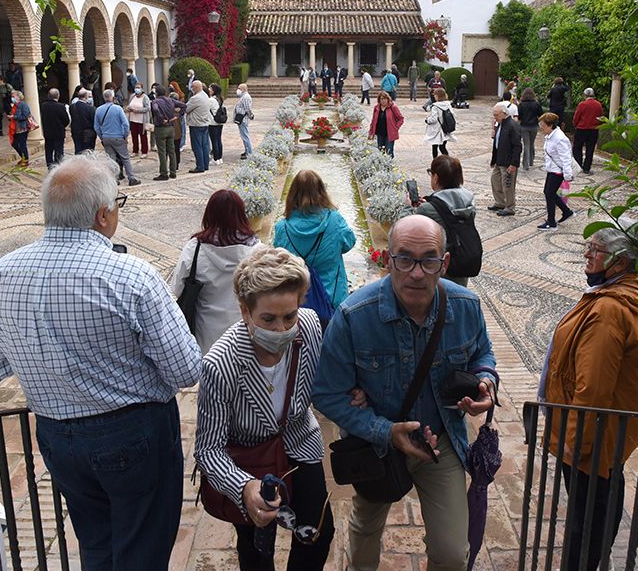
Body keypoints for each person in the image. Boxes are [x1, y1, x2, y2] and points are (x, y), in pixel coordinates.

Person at [0, 153, 201, 571]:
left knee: (96, 545)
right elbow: (186, 370)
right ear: (102, 216)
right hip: (134, 435)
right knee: (143, 549)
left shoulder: (3, 272)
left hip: (58, 436)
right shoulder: (132, 276)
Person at [312, 215, 497, 571]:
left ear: (444, 263)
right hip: (374, 444)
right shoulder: (354, 316)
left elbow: (482, 354)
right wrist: (384, 430)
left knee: (452, 553)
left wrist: (486, 381)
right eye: (404, 258)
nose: (416, 272)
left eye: (428, 259)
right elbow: (326, 393)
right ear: (387, 258)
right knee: (365, 528)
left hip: (439, 439)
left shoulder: (465, 307)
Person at [194, 246, 334, 570]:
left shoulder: (310, 326)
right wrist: (244, 488)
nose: (282, 329)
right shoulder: (221, 364)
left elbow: (322, 384)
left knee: (318, 534)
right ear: (245, 311)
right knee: (256, 549)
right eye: (268, 319)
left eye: (290, 316)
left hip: (300, 443)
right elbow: (208, 449)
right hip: (250, 461)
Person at [540, 220, 638, 571]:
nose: (587, 254)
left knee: (585, 519)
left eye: (596, 249)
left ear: (621, 262)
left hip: (591, 435)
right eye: (588, 246)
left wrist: (576, 443)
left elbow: (592, 388)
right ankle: (599, 558)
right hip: (612, 433)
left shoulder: (608, 311)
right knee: (604, 495)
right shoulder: (635, 292)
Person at [170, 190, 264, 355]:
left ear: (209, 215)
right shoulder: (257, 252)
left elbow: (176, 288)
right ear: (242, 215)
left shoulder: (196, 248)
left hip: (204, 335)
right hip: (244, 333)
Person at [273, 170, 356, 310]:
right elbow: (349, 243)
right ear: (321, 191)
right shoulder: (335, 220)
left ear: (292, 194)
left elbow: (280, 258)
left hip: (298, 300)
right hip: (332, 297)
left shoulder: (282, 228)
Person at [413, 155, 477, 288]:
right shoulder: (469, 201)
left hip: (440, 270)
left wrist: (407, 206)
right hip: (461, 262)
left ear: (436, 177)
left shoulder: (427, 209)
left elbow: (406, 226)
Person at [94, 89, 140, 186]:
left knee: (111, 159)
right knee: (125, 158)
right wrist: (125, 135)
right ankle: (131, 178)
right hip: (118, 136)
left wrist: (102, 137)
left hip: (106, 137)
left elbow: (96, 127)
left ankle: (114, 179)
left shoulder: (98, 109)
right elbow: (125, 124)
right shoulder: (118, 109)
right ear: (112, 97)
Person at [538, 111, 574, 230]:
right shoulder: (551, 135)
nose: (541, 128)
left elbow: (566, 157)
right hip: (552, 169)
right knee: (549, 193)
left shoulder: (559, 138)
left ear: (550, 125)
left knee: (549, 194)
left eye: (542, 126)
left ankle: (551, 222)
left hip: (558, 171)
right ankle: (566, 211)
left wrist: (568, 175)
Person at [488, 101, 521, 217]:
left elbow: (517, 146)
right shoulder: (500, 124)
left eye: (496, 115)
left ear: (504, 113)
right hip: (499, 160)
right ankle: (500, 202)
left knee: (508, 185)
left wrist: (513, 164)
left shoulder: (512, 126)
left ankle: (510, 207)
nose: (494, 117)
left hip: (508, 162)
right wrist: (494, 160)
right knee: (495, 180)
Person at [151, 84, 186, 180]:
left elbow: (155, 109)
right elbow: (183, 105)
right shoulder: (170, 100)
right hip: (171, 127)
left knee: (162, 151)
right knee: (172, 151)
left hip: (161, 128)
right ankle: (173, 171)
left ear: (156, 93)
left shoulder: (155, 101)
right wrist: (178, 115)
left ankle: (164, 173)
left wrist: (161, 118)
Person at [572, 87, 605, 174]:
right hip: (593, 130)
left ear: (585, 95)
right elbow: (601, 117)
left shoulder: (582, 104)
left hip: (581, 129)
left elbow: (576, 117)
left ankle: (578, 165)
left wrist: (575, 125)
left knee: (577, 148)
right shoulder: (598, 105)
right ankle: (586, 168)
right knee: (590, 149)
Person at [186, 80, 215, 173]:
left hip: (196, 124)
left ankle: (200, 166)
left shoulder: (195, 98)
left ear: (196, 87)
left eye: (193, 87)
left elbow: (186, 109)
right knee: (205, 145)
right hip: (204, 124)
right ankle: (205, 165)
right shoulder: (205, 95)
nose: (192, 88)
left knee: (197, 146)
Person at [40, 88, 71, 167]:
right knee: (59, 151)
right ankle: (57, 167)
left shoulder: (43, 106)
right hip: (59, 132)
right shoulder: (61, 106)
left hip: (48, 132)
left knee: (49, 151)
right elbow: (66, 119)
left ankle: (50, 166)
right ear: (58, 96)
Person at [370, 91, 404, 157]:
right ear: (379, 100)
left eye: (385, 99)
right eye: (382, 99)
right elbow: (373, 120)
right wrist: (371, 132)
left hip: (389, 134)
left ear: (388, 99)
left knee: (389, 151)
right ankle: (382, 167)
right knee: (380, 152)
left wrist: (396, 127)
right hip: (380, 133)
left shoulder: (393, 107)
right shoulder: (377, 108)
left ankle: (390, 166)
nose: (384, 101)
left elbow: (401, 118)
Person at [423, 88, 454, 159]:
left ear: (438, 96)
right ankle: (448, 162)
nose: (434, 96)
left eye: (435, 95)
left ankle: (435, 164)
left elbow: (433, 119)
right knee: (443, 147)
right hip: (445, 129)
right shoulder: (448, 104)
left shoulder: (435, 106)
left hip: (436, 130)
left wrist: (427, 120)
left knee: (435, 148)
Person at [517, 87, 543, 171]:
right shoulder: (536, 104)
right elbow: (541, 114)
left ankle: (526, 164)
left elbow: (519, 116)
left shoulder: (521, 104)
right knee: (532, 143)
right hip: (534, 126)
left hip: (524, 126)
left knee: (526, 145)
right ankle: (531, 160)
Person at [8, 90, 33, 167]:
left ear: (18, 97)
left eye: (13, 96)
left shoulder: (23, 105)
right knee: (14, 144)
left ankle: (25, 159)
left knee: (22, 144)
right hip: (16, 128)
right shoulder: (15, 105)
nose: (12, 98)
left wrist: (14, 117)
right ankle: (23, 157)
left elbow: (25, 116)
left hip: (22, 128)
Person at [127, 82, 151, 158]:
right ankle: (135, 151)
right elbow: (129, 104)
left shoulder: (145, 97)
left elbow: (147, 108)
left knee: (143, 136)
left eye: (138, 87)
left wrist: (138, 110)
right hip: (132, 119)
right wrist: (129, 108)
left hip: (142, 120)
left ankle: (144, 151)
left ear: (142, 88)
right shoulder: (132, 96)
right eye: (136, 87)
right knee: (134, 136)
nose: (137, 89)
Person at [69, 88, 97, 154]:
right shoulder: (90, 108)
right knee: (88, 152)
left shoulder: (72, 107)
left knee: (78, 150)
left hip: (76, 132)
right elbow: (94, 121)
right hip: (88, 133)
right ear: (86, 97)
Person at [234, 83, 255, 158]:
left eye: (239, 88)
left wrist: (251, 115)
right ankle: (247, 150)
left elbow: (248, 109)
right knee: (243, 135)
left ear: (244, 89)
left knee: (245, 136)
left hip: (243, 119)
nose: (238, 90)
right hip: (241, 119)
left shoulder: (246, 97)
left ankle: (249, 152)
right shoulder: (243, 96)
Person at [209, 83, 226, 166]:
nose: (209, 90)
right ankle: (220, 158)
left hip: (213, 122)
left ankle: (216, 158)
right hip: (219, 122)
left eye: (211, 89)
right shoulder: (220, 99)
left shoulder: (211, 100)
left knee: (214, 141)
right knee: (218, 140)